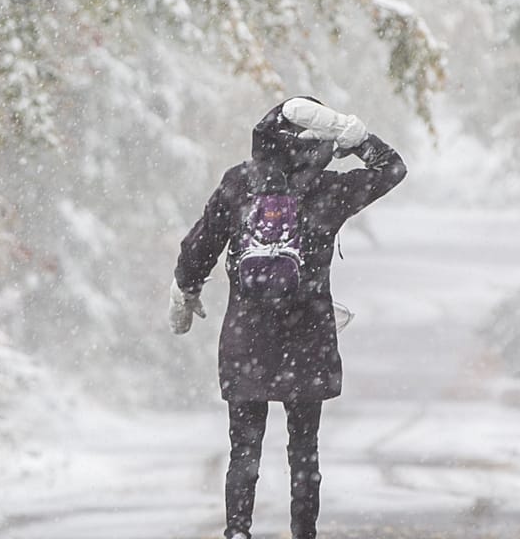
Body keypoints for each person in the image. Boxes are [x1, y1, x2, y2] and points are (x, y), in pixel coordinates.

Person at [169, 96, 407, 539]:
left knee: (244, 451)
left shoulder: (238, 185)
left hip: (247, 340)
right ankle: (303, 534)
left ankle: (238, 532)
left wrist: (186, 287)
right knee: (304, 452)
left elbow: (199, 247)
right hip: (308, 338)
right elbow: (392, 168)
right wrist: (355, 136)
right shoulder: (329, 191)